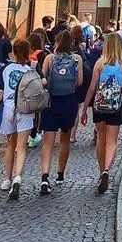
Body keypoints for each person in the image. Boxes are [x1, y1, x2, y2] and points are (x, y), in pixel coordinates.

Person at [81, 32, 122, 192]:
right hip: (115, 106)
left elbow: (92, 88)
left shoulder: (100, 63)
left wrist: (85, 109)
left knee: (101, 139)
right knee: (112, 142)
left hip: (99, 106)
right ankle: (107, 169)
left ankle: (101, 171)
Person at [0, 37, 36, 201]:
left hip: (9, 108)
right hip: (25, 109)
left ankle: (6, 179)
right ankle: (18, 177)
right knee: (21, 147)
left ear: (14, 52)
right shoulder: (30, 71)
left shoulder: (6, 69)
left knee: (10, 144)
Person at [39, 29, 83, 193]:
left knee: (48, 142)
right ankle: (60, 173)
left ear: (56, 42)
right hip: (68, 102)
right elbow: (79, 82)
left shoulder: (49, 58)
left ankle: (44, 176)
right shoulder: (76, 59)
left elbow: (43, 80)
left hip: (51, 102)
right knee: (64, 139)